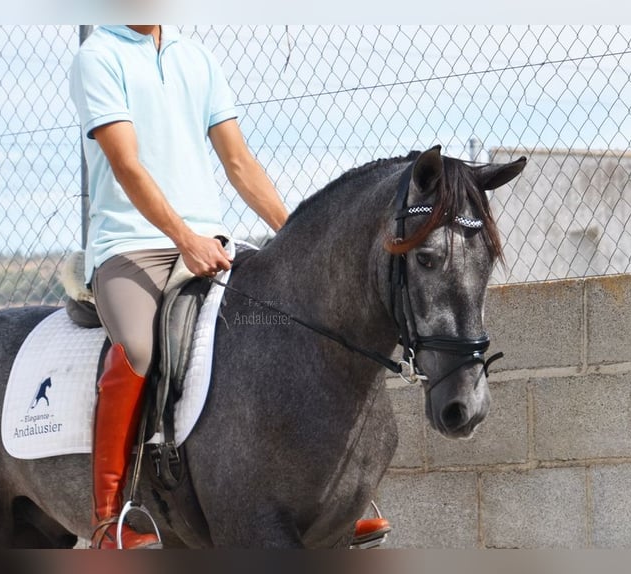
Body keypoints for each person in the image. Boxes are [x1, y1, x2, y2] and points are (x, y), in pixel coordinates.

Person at [69, 24, 390, 550]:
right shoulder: (98, 55)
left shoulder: (196, 59)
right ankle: (111, 515)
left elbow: (238, 162)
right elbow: (125, 163)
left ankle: (336, 496)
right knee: (140, 347)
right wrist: (183, 238)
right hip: (132, 246)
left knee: (289, 321)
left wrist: (295, 238)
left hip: (209, 242)